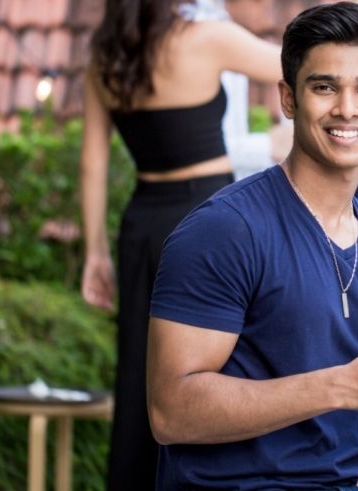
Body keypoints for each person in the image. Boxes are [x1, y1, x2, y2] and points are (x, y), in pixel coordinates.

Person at [146, 3, 358, 489]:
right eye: (324, 87)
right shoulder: (224, 230)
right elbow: (171, 411)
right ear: (288, 99)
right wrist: (345, 385)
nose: (347, 109)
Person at [79, 0, 281, 487]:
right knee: (222, 367)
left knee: (141, 377)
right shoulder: (208, 37)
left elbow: (93, 163)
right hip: (211, 218)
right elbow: (310, 63)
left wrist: (95, 254)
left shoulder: (105, 57)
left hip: (142, 224)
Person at [184, 0, 293, 179]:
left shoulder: (222, 29)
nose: (268, 8)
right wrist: (269, 145)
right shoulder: (207, 31)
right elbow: (191, 152)